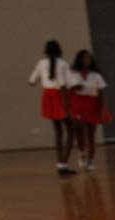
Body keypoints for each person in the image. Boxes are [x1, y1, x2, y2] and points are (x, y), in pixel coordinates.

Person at [28, 40, 76, 175]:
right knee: (71, 130)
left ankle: (60, 162)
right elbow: (66, 85)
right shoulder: (63, 64)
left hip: (47, 96)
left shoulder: (41, 63)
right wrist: (67, 107)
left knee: (58, 131)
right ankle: (63, 163)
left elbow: (31, 81)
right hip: (60, 96)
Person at [66, 50, 110, 171]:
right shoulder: (73, 73)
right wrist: (75, 87)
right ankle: (82, 151)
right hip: (78, 103)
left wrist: (102, 109)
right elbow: (68, 90)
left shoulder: (96, 75)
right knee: (80, 130)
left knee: (91, 133)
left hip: (92, 103)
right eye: (84, 58)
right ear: (79, 59)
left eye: (89, 58)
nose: (87, 60)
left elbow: (101, 93)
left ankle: (91, 160)